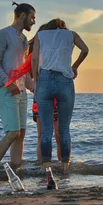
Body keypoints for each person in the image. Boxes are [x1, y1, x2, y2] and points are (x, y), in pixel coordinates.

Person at [32, 18, 89, 189]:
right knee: (64, 129)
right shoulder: (71, 34)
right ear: (63, 27)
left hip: (45, 78)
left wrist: (36, 79)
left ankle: (47, 169)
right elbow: (85, 50)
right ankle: (65, 168)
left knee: (46, 130)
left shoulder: (41, 35)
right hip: (65, 79)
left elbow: (35, 59)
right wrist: (74, 66)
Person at [0, 1, 36, 170]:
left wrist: (34, 87)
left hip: (21, 92)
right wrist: (7, 83)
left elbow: (24, 69)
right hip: (5, 90)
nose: (33, 22)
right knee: (13, 132)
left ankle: (16, 169)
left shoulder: (24, 40)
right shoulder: (2, 35)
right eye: (32, 17)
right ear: (22, 15)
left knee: (21, 134)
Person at [27, 29, 62, 163]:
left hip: (51, 94)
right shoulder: (33, 56)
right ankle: (46, 166)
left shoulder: (52, 54)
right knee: (45, 134)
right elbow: (29, 76)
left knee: (56, 134)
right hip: (43, 94)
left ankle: (57, 165)